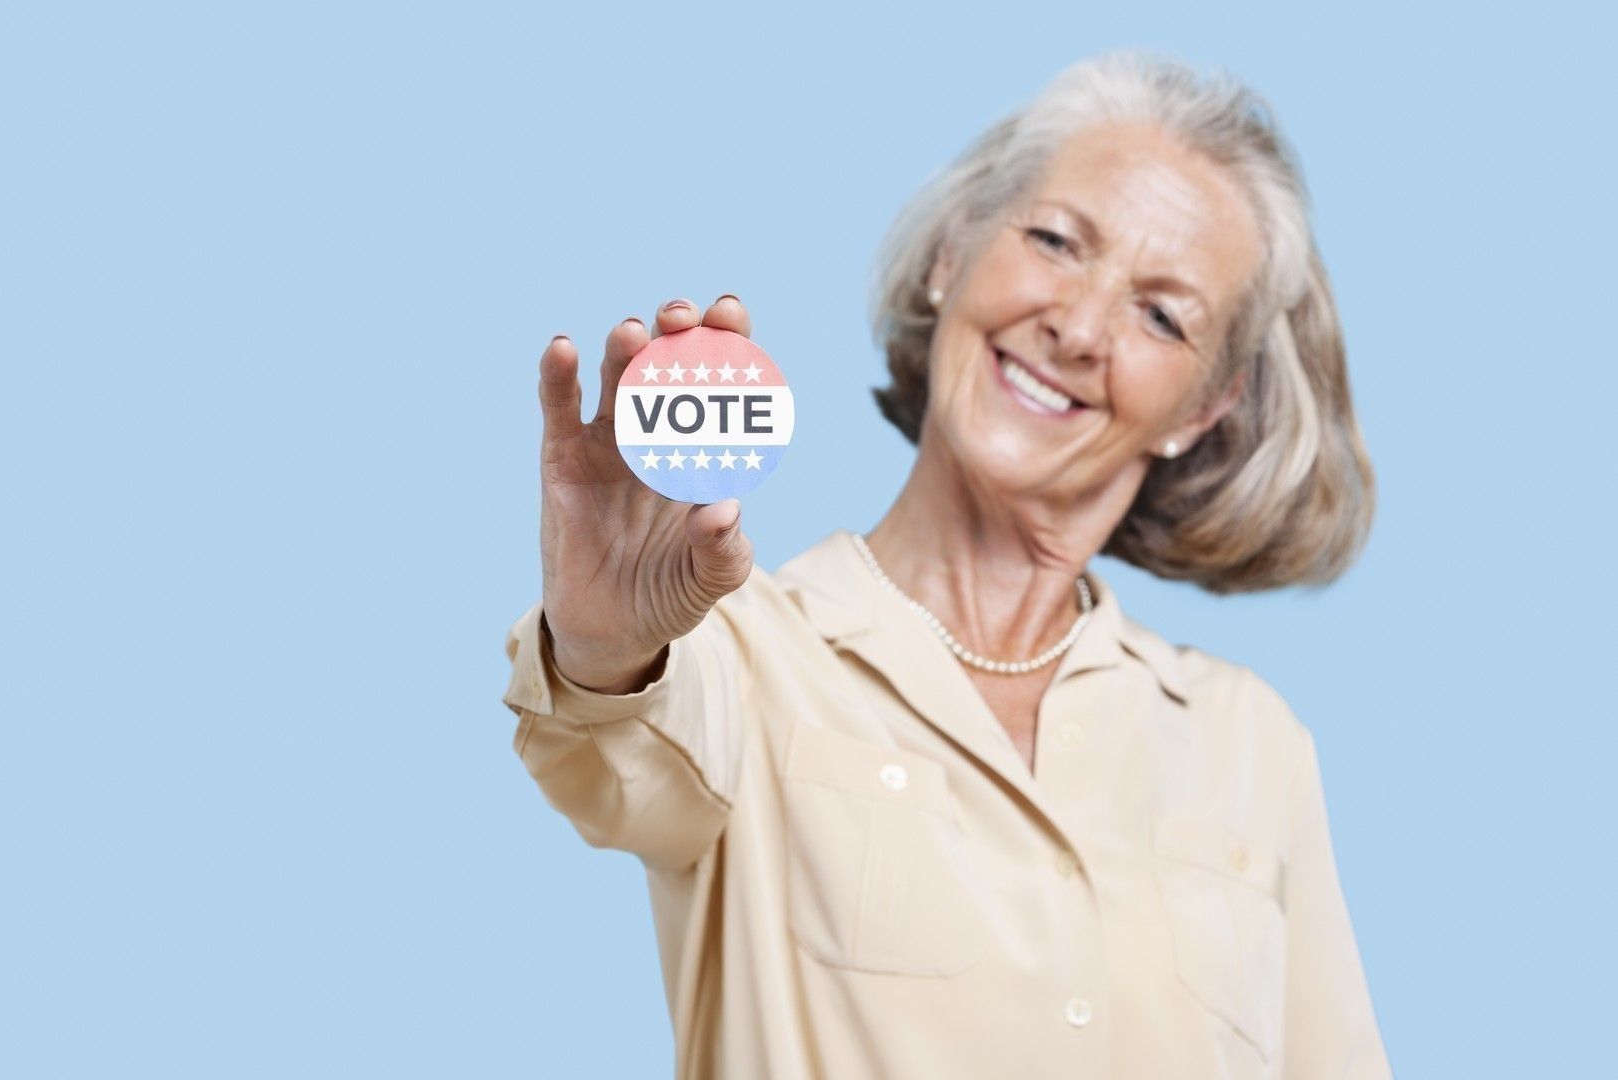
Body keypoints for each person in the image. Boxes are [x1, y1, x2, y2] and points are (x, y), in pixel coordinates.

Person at [503, 48, 1392, 1080]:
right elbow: (613, 757)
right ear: (950, 256)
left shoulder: (1249, 745)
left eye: (1161, 314)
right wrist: (606, 645)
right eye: (1057, 241)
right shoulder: (738, 658)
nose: (1078, 325)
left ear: (1204, 408)